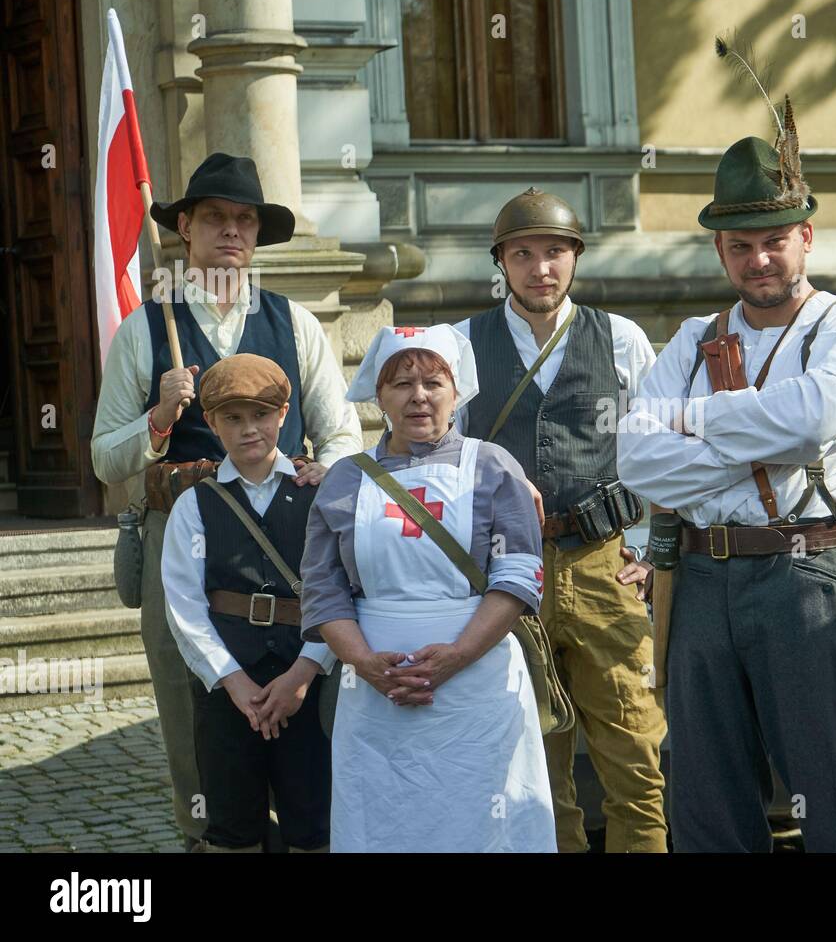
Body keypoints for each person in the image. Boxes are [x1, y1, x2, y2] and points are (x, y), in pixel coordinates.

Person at [617, 105, 836, 852]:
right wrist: (753, 436)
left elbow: (811, 417)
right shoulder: (691, 339)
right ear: (720, 249)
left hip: (805, 573)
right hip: (702, 581)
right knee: (708, 803)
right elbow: (636, 456)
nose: (760, 260)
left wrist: (694, 420)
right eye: (741, 246)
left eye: (775, 241)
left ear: (805, 236)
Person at [90, 153, 362, 848]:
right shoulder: (147, 330)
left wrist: (319, 472)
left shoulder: (293, 322)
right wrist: (158, 417)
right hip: (183, 540)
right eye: (215, 217)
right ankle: (207, 832)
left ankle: (304, 828)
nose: (232, 232)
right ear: (185, 227)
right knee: (190, 702)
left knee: (306, 706)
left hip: (285, 542)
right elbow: (102, 455)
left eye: (245, 220)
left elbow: (342, 433)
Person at [453, 188, 667, 853]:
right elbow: (447, 463)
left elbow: (658, 452)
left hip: (605, 563)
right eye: (524, 254)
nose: (540, 268)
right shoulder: (463, 344)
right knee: (535, 759)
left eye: (554, 252)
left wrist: (650, 547)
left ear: (574, 258)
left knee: (633, 747)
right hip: (510, 572)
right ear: (502, 263)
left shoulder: (622, 339)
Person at [299, 325, 555, 852]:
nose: (418, 396)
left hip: (476, 686)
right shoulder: (345, 481)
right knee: (384, 823)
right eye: (402, 384)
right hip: (376, 690)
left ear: (456, 392)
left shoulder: (494, 468)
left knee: (484, 823)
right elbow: (323, 591)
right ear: (379, 396)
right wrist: (365, 663)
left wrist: (458, 655)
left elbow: (517, 577)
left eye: (433, 382)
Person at [161, 354, 335, 852]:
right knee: (232, 825)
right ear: (211, 423)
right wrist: (232, 682)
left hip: (308, 677)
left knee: (314, 819)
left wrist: (303, 674)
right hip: (227, 683)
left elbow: (339, 591)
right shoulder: (196, 503)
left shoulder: (318, 495)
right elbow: (185, 606)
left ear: (283, 414)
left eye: (260, 415)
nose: (249, 430)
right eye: (232, 418)